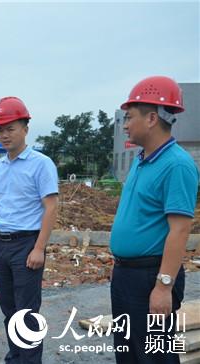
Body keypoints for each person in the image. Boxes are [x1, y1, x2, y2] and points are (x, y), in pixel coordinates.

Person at [110, 76, 198, 364]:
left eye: (129, 117)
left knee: (153, 358)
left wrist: (163, 287)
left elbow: (180, 229)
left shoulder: (177, 165)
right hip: (126, 275)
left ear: (151, 118)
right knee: (128, 353)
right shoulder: (141, 159)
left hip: (151, 277)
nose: (125, 124)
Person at [0, 96, 58, 364]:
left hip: (26, 245)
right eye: (0, 129)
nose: (4, 134)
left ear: (26, 128)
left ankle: (30, 360)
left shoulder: (41, 163)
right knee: (9, 307)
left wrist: (39, 248)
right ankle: (16, 357)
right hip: (2, 245)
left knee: (27, 311)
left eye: (10, 128)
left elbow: (51, 206)